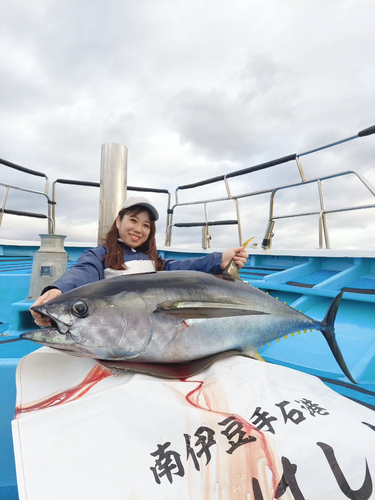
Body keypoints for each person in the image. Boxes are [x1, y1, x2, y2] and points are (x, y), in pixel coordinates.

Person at [31, 196, 249, 327]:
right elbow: (83, 272)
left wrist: (220, 259)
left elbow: (183, 268)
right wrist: (59, 290)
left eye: (146, 225)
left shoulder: (154, 261)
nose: (139, 229)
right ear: (118, 220)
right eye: (133, 220)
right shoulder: (100, 255)